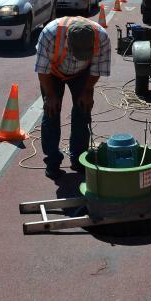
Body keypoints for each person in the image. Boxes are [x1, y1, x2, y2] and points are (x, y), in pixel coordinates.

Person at [34, 15, 111, 179]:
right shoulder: (50, 33)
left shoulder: (102, 37)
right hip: (52, 74)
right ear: (67, 38)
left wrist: (87, 91)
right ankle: (52, 163)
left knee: (83, 112)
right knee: (51, 112)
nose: (78, 55)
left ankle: (78, 159)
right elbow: (42, 70)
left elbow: (97, 68)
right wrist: (50, 95)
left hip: (82, 74)